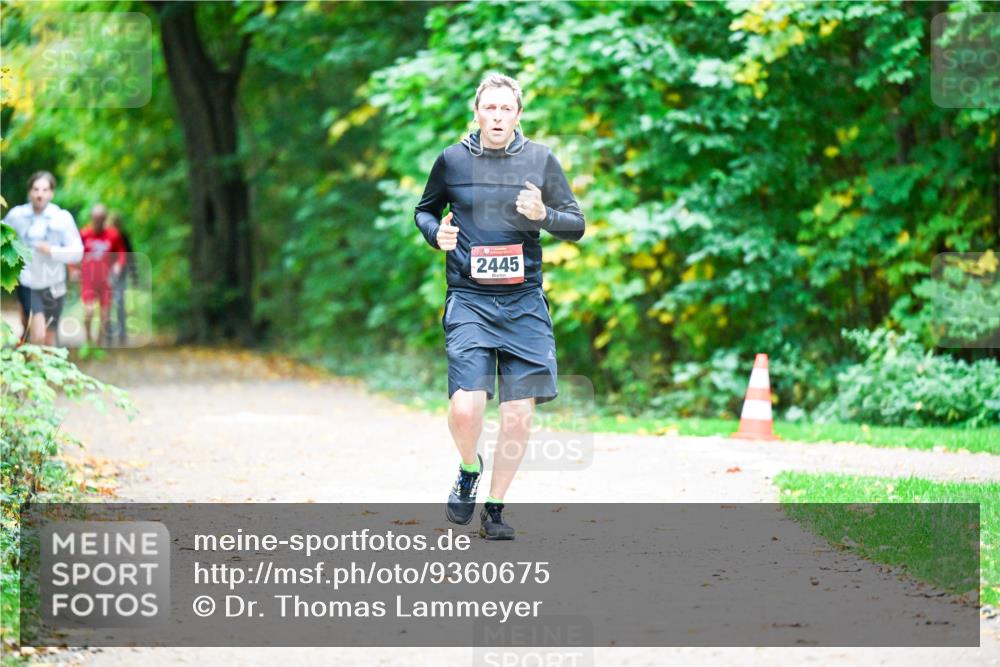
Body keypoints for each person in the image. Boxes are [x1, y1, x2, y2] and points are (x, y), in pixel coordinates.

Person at [414, 73, 585, 540]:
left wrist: (543, 215)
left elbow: (576, 225)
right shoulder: (451, 160)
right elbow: (424, 210)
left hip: (524, 302)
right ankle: (470, 468)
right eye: (489, 108)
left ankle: (495, 508)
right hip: (470, 299)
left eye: (505, 109)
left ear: (517, 114)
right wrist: (437, 235)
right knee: (466, 409)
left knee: (518, 414)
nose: (497, 116)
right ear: (477, 112)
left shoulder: (540, 159)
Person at [3, 171, 83, 345]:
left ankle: (42, 368)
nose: (40, 194)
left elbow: (78, 252)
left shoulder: (62, 218)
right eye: (36, 189)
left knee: (49, 338)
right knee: (37, 330)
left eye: (45, 190)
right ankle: (31, 366)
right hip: (28, 281)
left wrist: (52, 251)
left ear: (51, 193)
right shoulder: (17, 216)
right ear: (29, 192)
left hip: (54, 283)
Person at [78, 203, 127, 346]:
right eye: (95, 219)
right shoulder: (84, 234)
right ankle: (88, 340)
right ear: (91, 218)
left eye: (101, 219)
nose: (97, 222)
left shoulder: (113, 235)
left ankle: (99, 344)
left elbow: (122, 253)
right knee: (89, 311)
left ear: (105, 219)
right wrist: (74, 269)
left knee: (105, 315)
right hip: (89, 279)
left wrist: (118, 265)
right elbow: (75, 252)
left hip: (106, 280)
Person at [107, 212, 137, 345]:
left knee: (119, 303)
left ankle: (121, 334)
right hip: (105, 274)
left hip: (120, 274)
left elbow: (130, 257)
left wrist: (134, 276)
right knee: (107, 304)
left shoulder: (123, 237)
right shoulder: (106, 236)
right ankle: (108, 335)